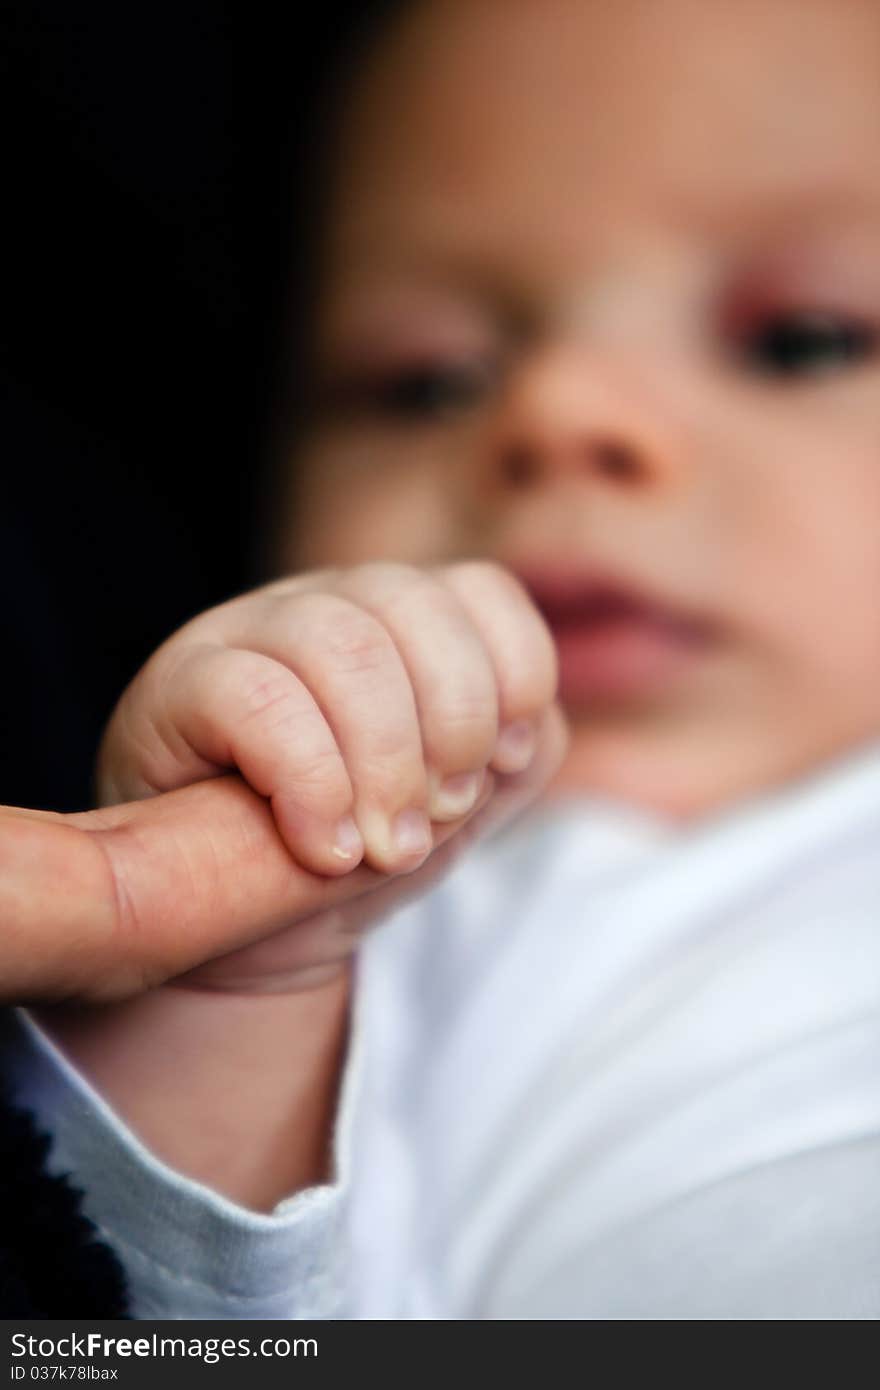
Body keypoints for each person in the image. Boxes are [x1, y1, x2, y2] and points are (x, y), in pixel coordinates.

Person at [6, 0, 880, 1317]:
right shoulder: (387, 923)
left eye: (800, 339)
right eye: (425, 379)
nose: (559, 411)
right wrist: (235, 968)